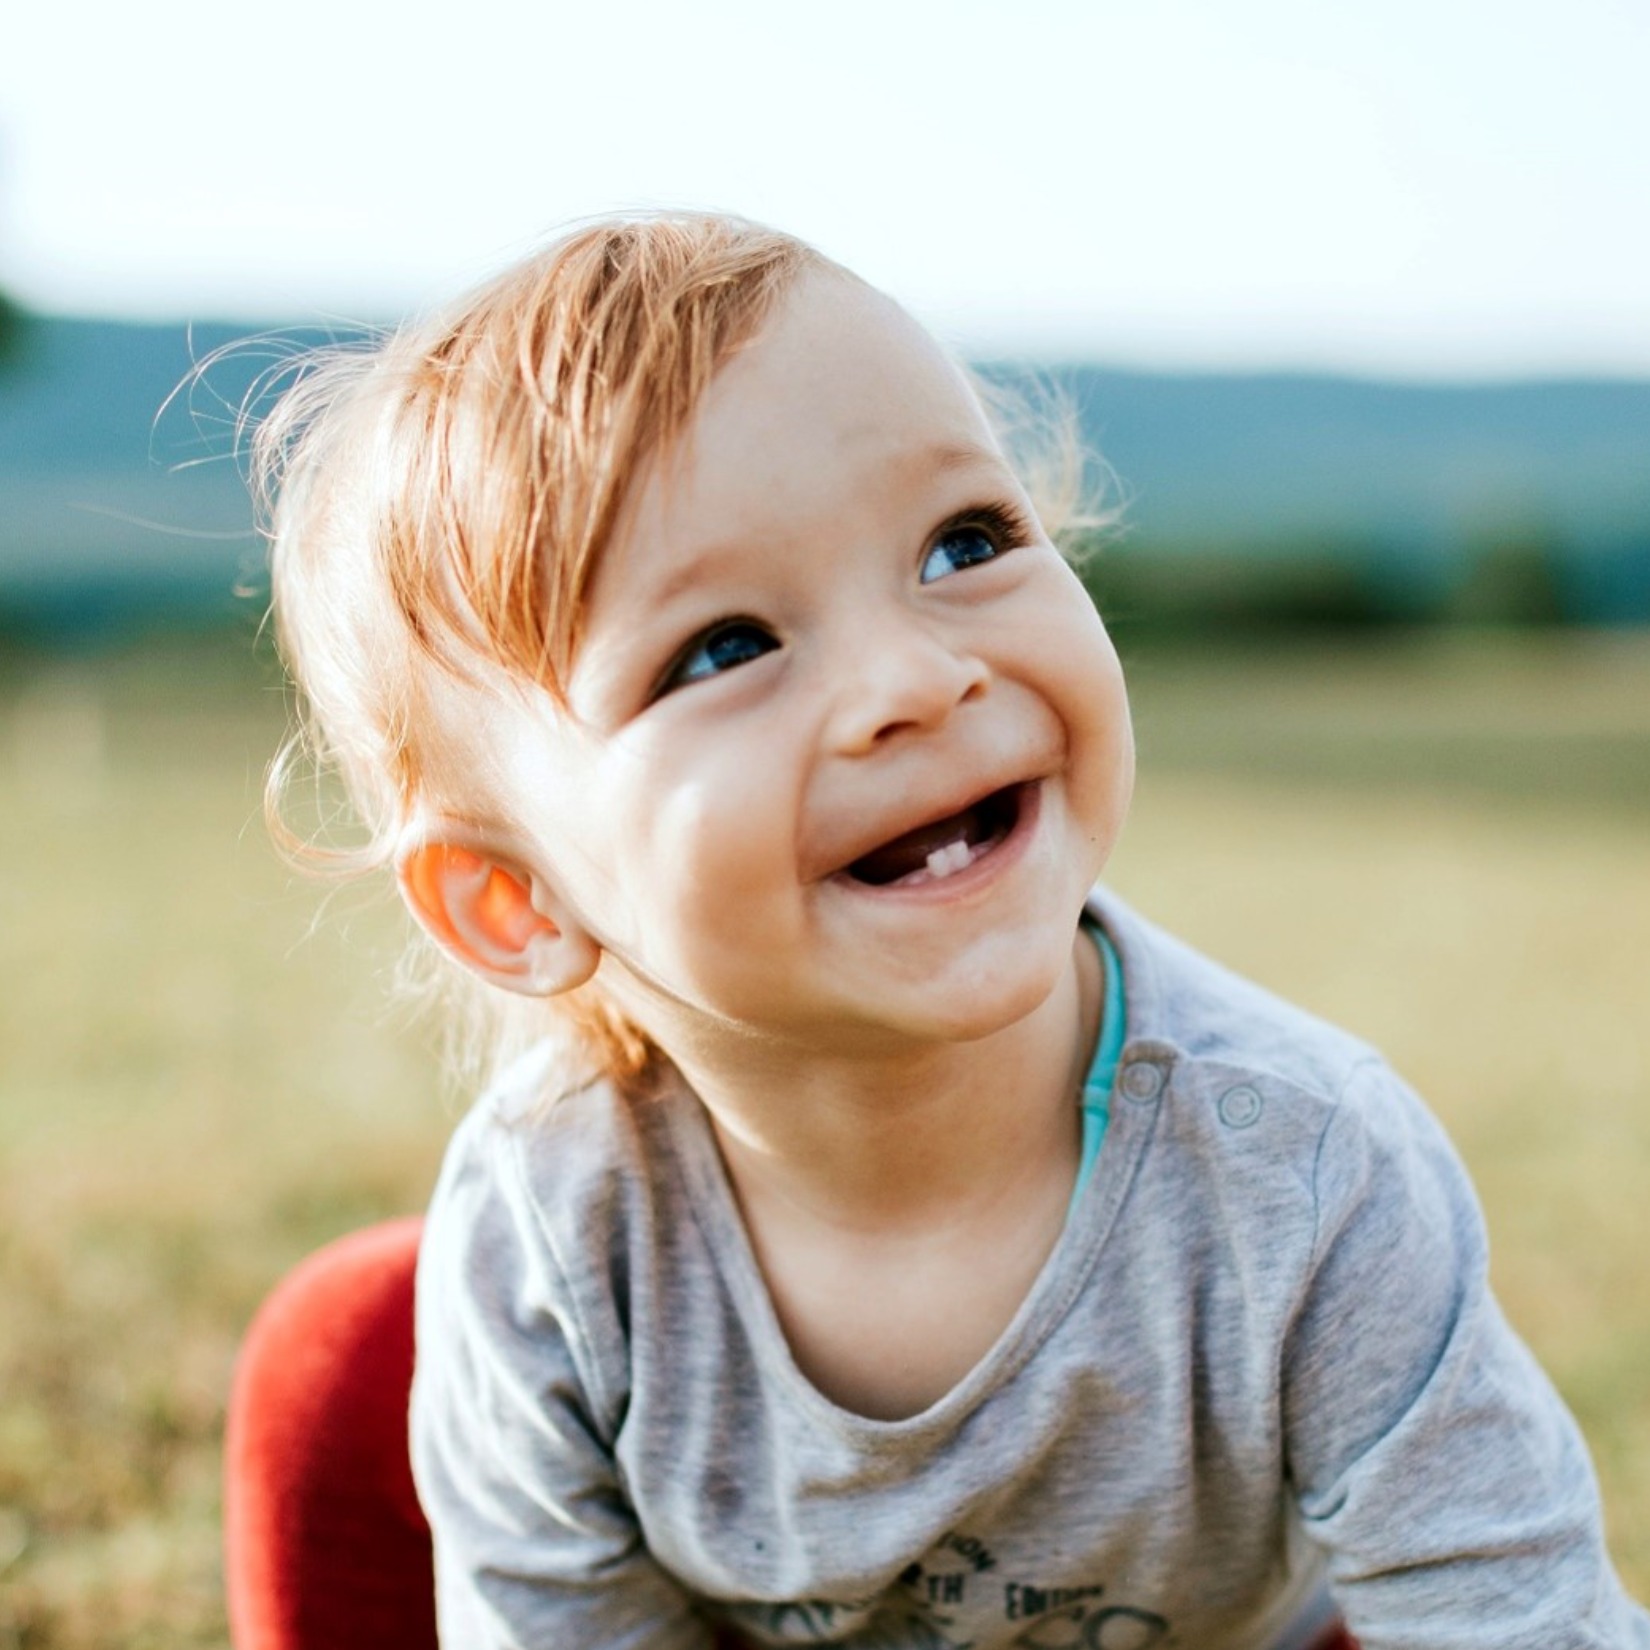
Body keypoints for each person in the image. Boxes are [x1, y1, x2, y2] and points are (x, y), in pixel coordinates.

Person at [255, 212, 1648, 1649]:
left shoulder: (1304, 1176)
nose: (914, 678)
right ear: (517, 901)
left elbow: (1513, 1614)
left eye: (961, 541)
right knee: (350, 1346)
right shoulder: (557, 1221)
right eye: (724, 645)